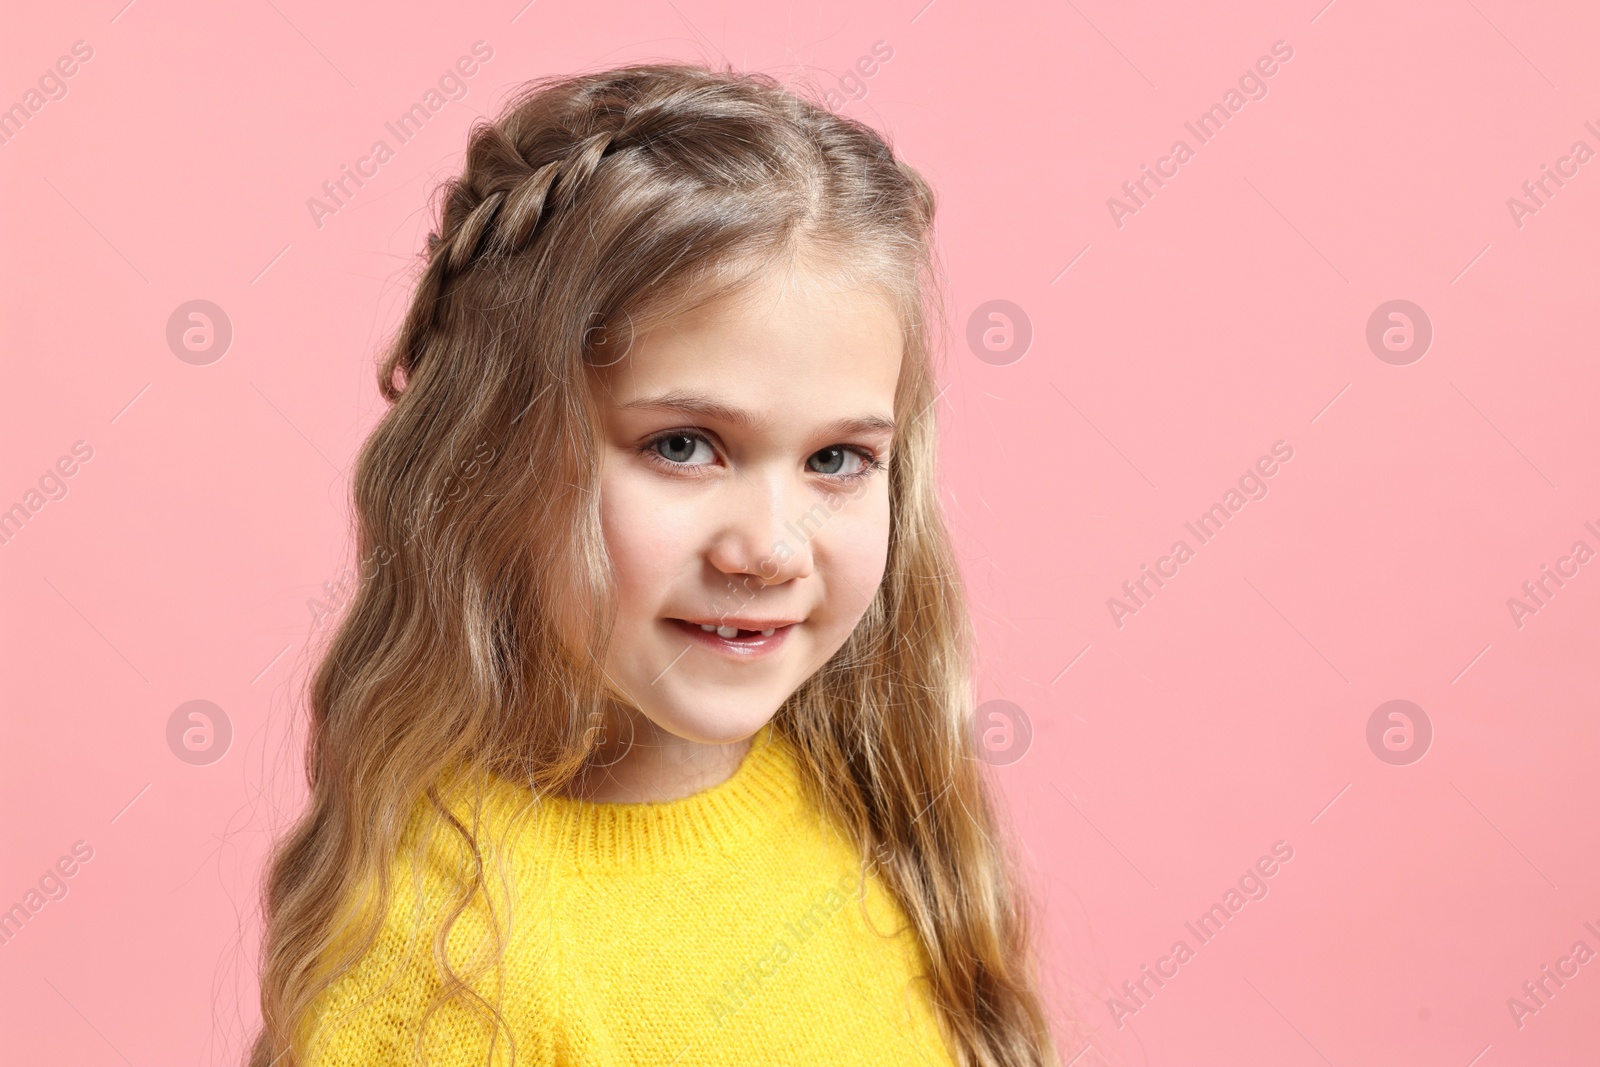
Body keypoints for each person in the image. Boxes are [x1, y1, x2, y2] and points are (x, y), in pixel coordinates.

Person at [248, 62, 1060, 1067]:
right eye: (682, 444)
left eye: (835, 459)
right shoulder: (447, 957)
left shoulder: (870, 797)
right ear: (488, 451)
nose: (768, 546)